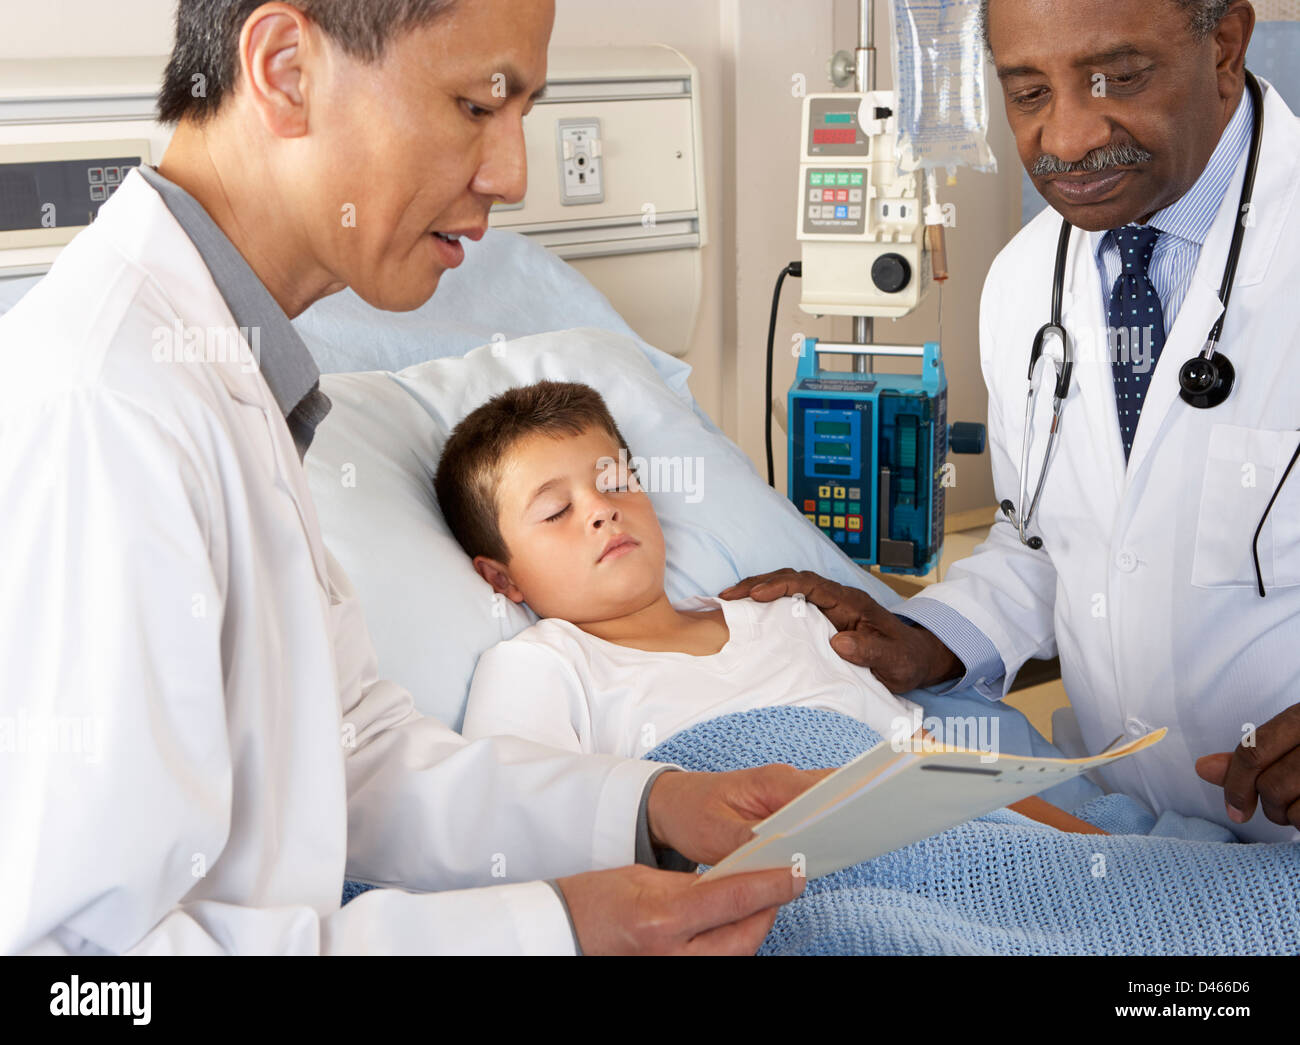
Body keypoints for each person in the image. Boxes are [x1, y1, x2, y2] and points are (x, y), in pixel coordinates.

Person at [0, 0, 825, 956]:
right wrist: (552, 933)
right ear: (284, 69)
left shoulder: (234, 368)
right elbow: (85, 968)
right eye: (476, 106)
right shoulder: (106, 406)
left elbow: (352, 754)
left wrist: (654, 804)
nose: (512, 174)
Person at [723, 0, 1300, 841]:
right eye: (1027, 93)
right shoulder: (1027, 281)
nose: (1064, 141)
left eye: (1119, 78)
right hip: (1123, 831)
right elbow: (1043, 540)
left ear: (1225, 44)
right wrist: (924, 637)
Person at [441, 380, 1105, 836]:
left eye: (617, 481)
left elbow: (937, 774)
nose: (601, 508)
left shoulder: (785, 618)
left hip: (955, 843)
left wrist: (1095, 849)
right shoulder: (543, 666)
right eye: (557, 511)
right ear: (502, 578)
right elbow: (520, 830)